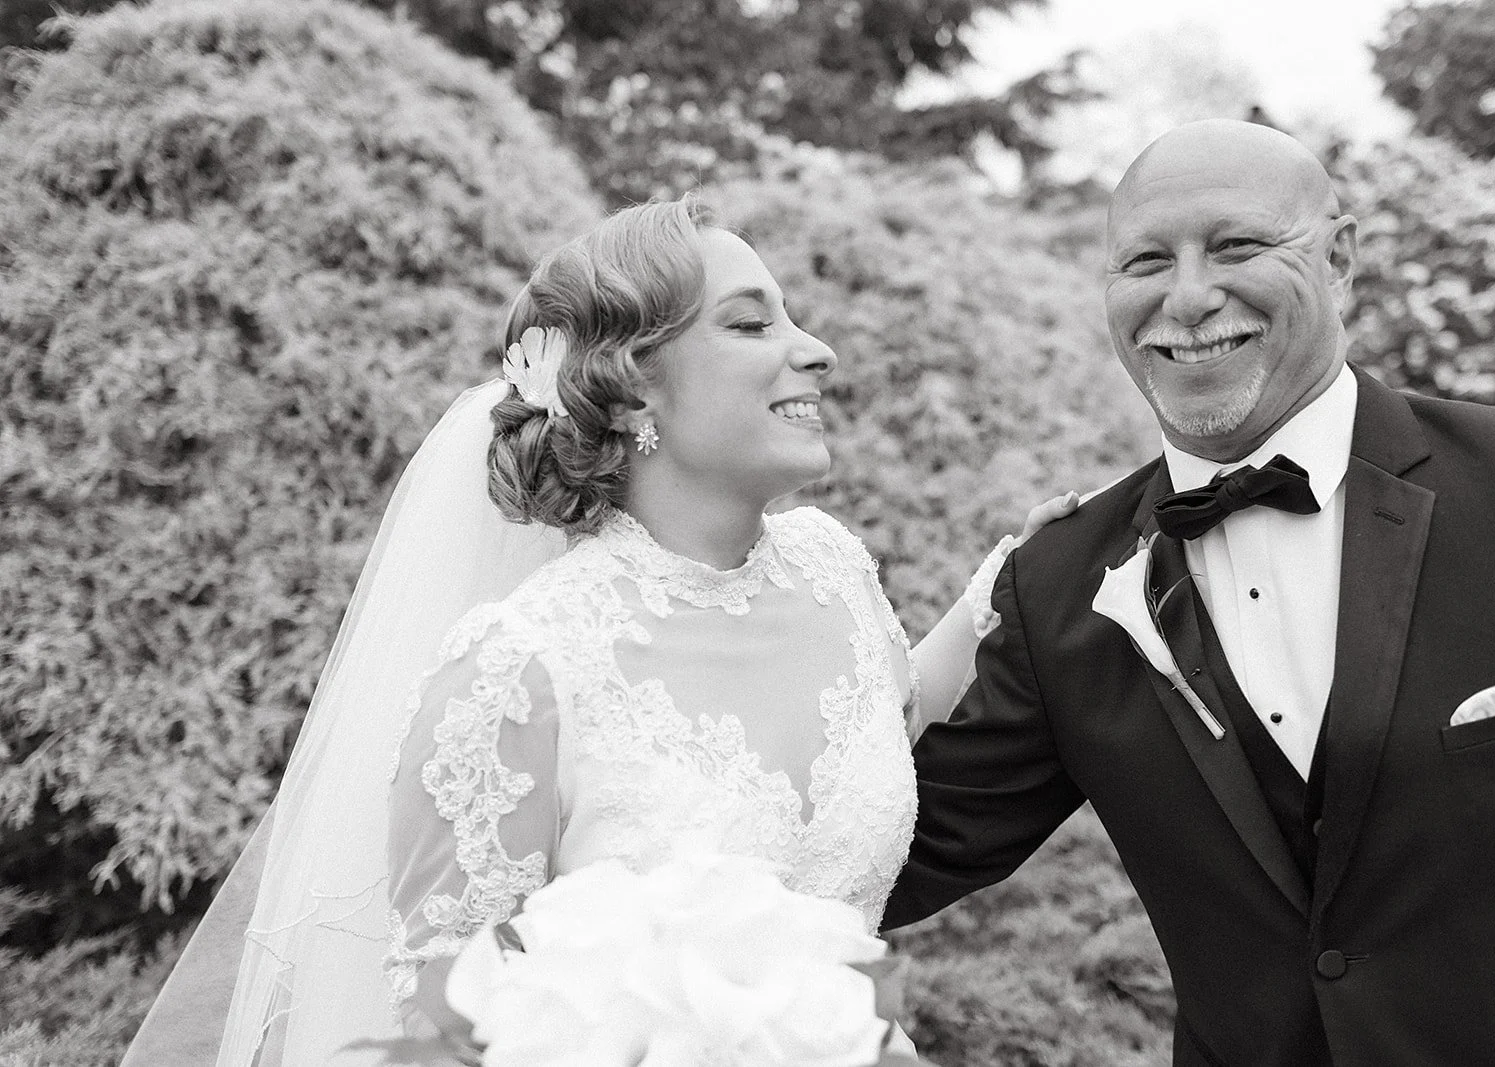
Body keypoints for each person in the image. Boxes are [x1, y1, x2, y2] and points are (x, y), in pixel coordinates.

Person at [122, 197, 1074, 1066]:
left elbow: (880, 720)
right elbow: (450, 1030)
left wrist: (1010, 585)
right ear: (631, 391)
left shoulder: (830, 568)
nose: (816, 348)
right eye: (752, 323)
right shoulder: (520, 668)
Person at [883, 118, 1495, 1066]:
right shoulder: (1059, 584)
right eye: (1146, 260)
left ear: (1339, 258)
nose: (1187, 297)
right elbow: (882, 853)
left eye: (1237, 246)